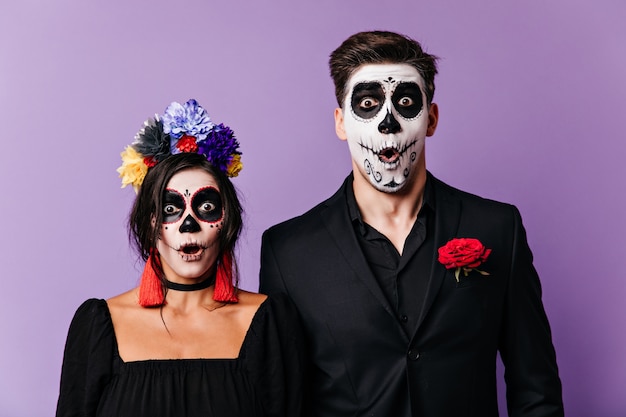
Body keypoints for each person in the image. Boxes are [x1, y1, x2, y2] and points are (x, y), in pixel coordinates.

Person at [259, 31, 564, 416]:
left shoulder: (498, 228)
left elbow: (535, 388)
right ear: (341, 123)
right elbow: (281, 396)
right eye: (368, 103)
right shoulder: (288, 250)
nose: (388, 123)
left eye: (405, 102)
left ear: (431, 119)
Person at [56, 99, 305, 417]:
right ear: (149, 223)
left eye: (205, 207)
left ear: (227, 219)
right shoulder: (98, 327)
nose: (189, 225)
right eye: (171, 209)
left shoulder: (270, 324)